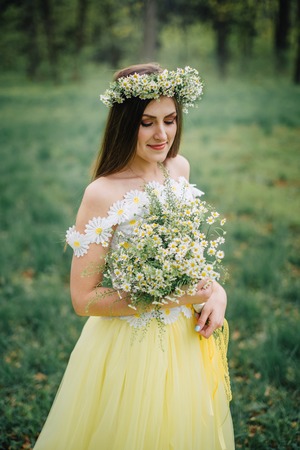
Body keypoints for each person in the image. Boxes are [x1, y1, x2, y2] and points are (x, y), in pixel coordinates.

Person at [34, 63, 235, 450]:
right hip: (132, 343)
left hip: (186, 339)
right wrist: (173, 297)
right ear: (125, 123)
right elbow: (84, 299)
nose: (162, 134)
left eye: (170, 119)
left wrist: (216, 293)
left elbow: (187, 256)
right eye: (147, 122)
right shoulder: (103, 193)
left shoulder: (179, 168)